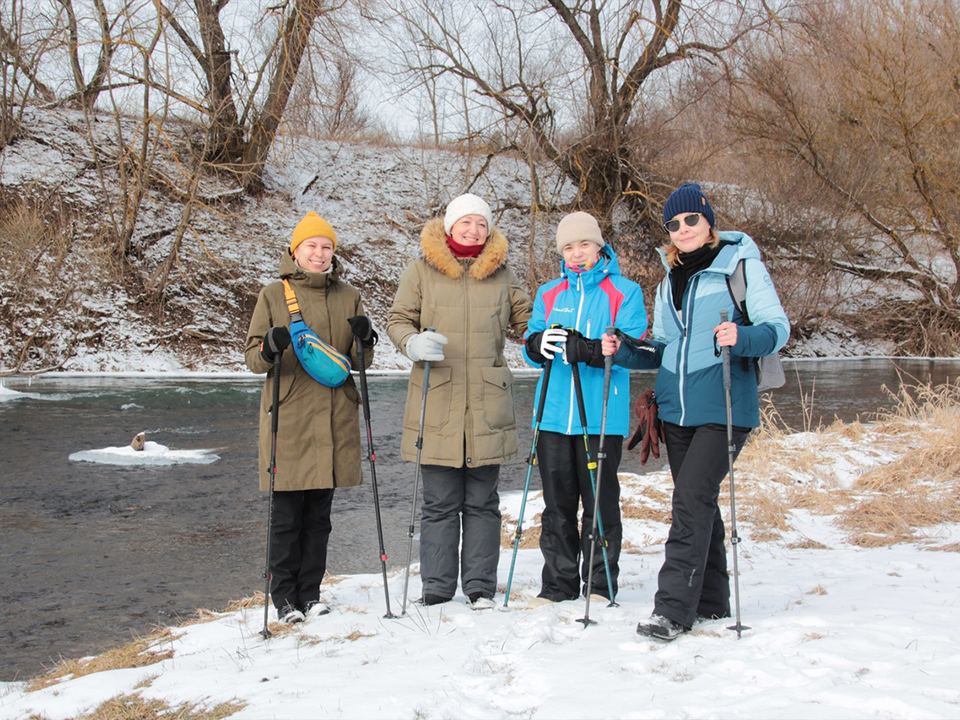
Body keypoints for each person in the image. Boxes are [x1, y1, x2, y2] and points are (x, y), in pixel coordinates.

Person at [602, 183, 790, 640]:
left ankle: (672, 611)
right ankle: (709, 600)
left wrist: (740, 337)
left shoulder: (741, 266)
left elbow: (777, 329)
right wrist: (623, 350)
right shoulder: (670, 280)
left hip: (725, 406)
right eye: (674, 223)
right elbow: (664, 349)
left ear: (707, 221)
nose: (683, 229)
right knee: (699, 502)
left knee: (688, 502)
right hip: (676, 412)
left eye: (691, 219)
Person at [387, 193, 532, 608]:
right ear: (450, 227)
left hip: (488, 403)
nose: (473, 230)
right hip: (437, 400)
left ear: (489, 232)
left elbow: (528, 322)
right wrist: (411, 342)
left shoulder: (503, 276)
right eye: (465, 223)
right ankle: (436, 588)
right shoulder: (420, 271)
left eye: (481, 224)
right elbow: (398, 320)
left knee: (483, 504)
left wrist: (544, 334)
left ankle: (480, 588)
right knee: (439, 503)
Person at [244, 211, 374, 624]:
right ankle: (283, 599)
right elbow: (252, 359)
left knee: (319, 518)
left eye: (326, 247)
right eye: (311, 247)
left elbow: (359, 362)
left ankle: (311, 595)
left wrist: (365, 339)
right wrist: (269, 347)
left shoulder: (348, 295)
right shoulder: (272, 295)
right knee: (285, 518)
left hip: (334, 419)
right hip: (291, 419)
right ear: (295, 251)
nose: (319, 254)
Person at [522, 211, 647, 605]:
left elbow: (636, 346)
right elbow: (531, 337)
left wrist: (595, 350)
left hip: (600, 416)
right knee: (557, 505)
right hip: (554, 416)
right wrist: (535, 345)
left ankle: (599, 583)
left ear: (599, 247)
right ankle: (558, 584)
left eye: (584, 245)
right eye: (569, 247)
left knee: (599, 504)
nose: (577, 254)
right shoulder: (548, 292)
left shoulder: (624, 291)